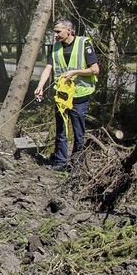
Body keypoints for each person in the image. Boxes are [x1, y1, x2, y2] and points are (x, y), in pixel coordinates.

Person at [34, 18, 99, 170]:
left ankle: (77, 165)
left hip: (79, 95)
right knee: (61, 130)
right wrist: (40, 86)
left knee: (78, 132)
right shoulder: (55, 47)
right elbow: (48, 68)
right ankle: (61, 163)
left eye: (58, 32)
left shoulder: (84, 44)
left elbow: (95, 69)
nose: (55, 35)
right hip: (62, 95)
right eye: (54, 31)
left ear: (69, 30)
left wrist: (76, 72)